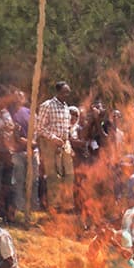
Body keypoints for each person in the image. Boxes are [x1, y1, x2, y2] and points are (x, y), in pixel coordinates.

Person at [35, 81, 74, 211]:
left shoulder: (66, 107)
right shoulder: (47, 106)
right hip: (51, 145)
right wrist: (53, 138)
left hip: (64, 144)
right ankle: (54, 206)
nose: (67, 95)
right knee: (54, 177)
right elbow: (39, 128)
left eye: (68, 92)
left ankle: (67, 204)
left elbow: (67, 128)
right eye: (64, 92)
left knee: (68, 174)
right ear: (57, 92)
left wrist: (67, 142)